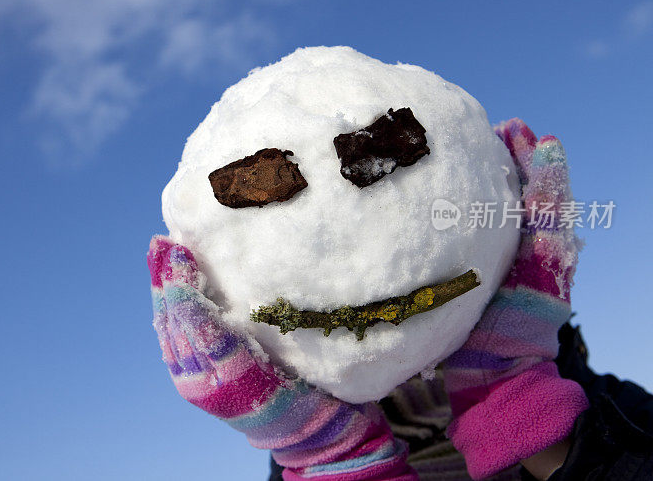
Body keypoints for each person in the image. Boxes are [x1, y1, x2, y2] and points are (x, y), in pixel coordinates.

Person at [147, 120, 653, 480]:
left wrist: (519, 405)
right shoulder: (305, 442)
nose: (362, 263)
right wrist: (332, 454)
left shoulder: (619, 417)